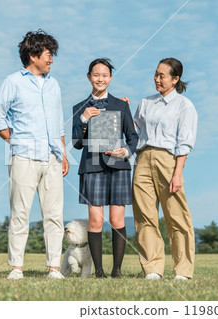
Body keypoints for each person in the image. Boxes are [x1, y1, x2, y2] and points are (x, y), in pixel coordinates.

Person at [0, 30, 69, 280]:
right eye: (48, 55)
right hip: (24, 157)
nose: (51, 60)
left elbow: (59, 124)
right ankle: (16, 268)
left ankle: (54, 268)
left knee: (54, 215)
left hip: (53, 159)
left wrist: (64, 155)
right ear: (33, 55)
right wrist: (16, 140)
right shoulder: (13, 81)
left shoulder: (54, 84)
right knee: (20, 213)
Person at [72, 58, 138, 278]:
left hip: (118, 166)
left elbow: (133, 137)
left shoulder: (122, 105)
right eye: (96, 74)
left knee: (118, 220)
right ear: (89, 77)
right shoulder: (79, 108)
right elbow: (76, 143)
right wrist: (83, 119)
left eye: (105, 75)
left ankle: (116, 271)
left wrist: (126, 151)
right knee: (95, 220)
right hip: (92, 167)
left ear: (110, 78)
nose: (100, 79)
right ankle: (98, 271)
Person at [132, 57, 198, 280]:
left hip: (168, 160)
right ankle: (152, 269)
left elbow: (184, 143)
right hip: (142, 159)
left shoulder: (184, 106)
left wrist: (177, 173)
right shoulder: (145, 103)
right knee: (144, 217)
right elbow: (134, 132)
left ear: (175, 79)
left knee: (177, 216)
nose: (157, 78)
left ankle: (183, 270)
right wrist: (122, 110)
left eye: (162, 75)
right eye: (156, 74)